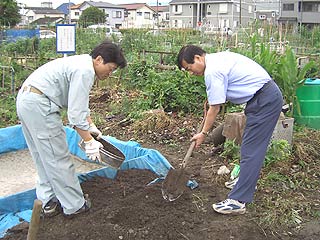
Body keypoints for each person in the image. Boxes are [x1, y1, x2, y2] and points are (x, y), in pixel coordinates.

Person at [16, 40, 127, 218]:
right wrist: (89, 142)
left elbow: (78, 106)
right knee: (58, 157)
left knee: (43, 156)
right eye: (111, 68)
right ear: (99, 59)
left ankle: (48, 202)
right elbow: (75, 117)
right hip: (40, 105)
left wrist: (90, 127)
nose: (111, 73)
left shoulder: (80, 63)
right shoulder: (85, 71)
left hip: (27, 100)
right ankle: (74, 205)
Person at [177, 45, 283, 215]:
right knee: (249, 147)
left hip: (265, 100)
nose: (191, 73)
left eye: (189, 68)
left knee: (251, 150)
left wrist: (203, 134)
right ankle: (245, 182)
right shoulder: (217, 60)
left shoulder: (212, 70)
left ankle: (238, 200)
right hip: (262, 97)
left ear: (198, 58)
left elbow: (215, 108)